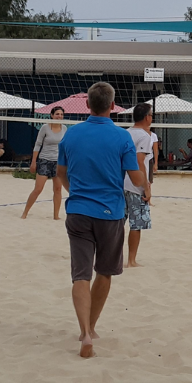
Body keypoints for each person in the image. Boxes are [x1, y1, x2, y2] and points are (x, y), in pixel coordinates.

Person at [57, 81, 145, 359]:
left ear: (87, 105)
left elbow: (61, 173)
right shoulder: (122, 138)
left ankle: (84, 332)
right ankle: (91, 327)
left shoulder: (71, 135)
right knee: (104, 273)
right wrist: (146, 172)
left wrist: (78, 193)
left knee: (80, 275)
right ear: (112, 106)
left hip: (79, 211)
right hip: (110, 213)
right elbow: (136, 179)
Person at [21, 107, 67, 220]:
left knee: (58, 189)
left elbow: (65, 146)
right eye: (57, 114)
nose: (59, 116)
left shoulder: (64, 128)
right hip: (44, 160)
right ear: (51, 115)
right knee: (38, 189)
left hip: (58, 162)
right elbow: (38, 145)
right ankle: (25, 213)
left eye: (61, 114)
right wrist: (33, 162)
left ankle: (56, 216)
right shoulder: (45, 128)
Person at [124, 103, 154, 268]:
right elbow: (140, 162)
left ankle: (112, 258)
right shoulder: (144, 136)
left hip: (121, 183)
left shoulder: (126, 133)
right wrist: (146, 187)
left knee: (116, 224)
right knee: (136, 225)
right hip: (135, 185)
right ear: (146, 117)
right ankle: (131, 261)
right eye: (151, 115)